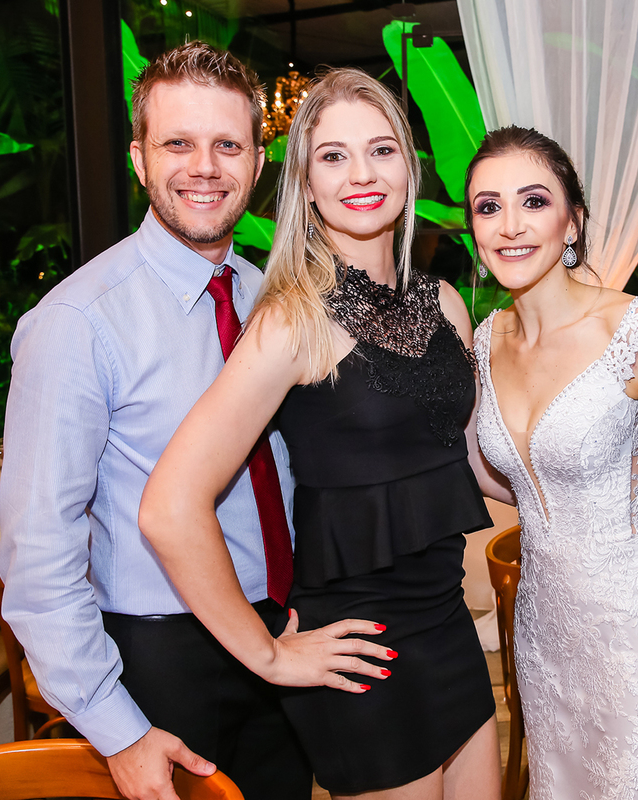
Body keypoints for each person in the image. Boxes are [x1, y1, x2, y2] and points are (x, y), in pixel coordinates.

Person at [0, 42, 385, 800]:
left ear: (259, 160)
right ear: (139, 159)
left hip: (279, 631)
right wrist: (117, 727)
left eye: (227, 145)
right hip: (159, 658)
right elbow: (39, 557)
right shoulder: (77, 321)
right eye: (178, 143)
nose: (204, 168)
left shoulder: (272, 297)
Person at [139, 68, 501, 799]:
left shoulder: (445, 305)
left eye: (381, 150)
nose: (361, 174)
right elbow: (169, 508)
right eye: (333, 156)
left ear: (409, 167)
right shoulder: (291, 319)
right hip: (359, 652)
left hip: (447, 622)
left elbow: (466, 458)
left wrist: (610, 488)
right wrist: (268, 656)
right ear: (305, 184)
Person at [467, 126, 638, 800]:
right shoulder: (486, 340)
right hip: (542, 635)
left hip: (636, 636)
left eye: (534, 201)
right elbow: (508, 477)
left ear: (573, 223)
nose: (510, 225)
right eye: (488, 206)